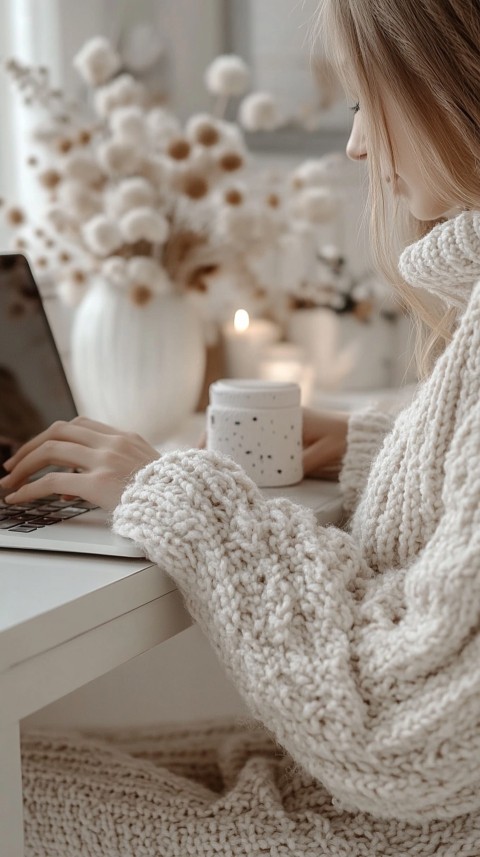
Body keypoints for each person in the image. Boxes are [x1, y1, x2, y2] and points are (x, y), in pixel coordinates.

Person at [4, 0, 480, 853]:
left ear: (450, 84)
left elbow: (406, 735)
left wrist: (179, 492)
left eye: (367, 102)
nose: (358, 146)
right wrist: (380, 448)